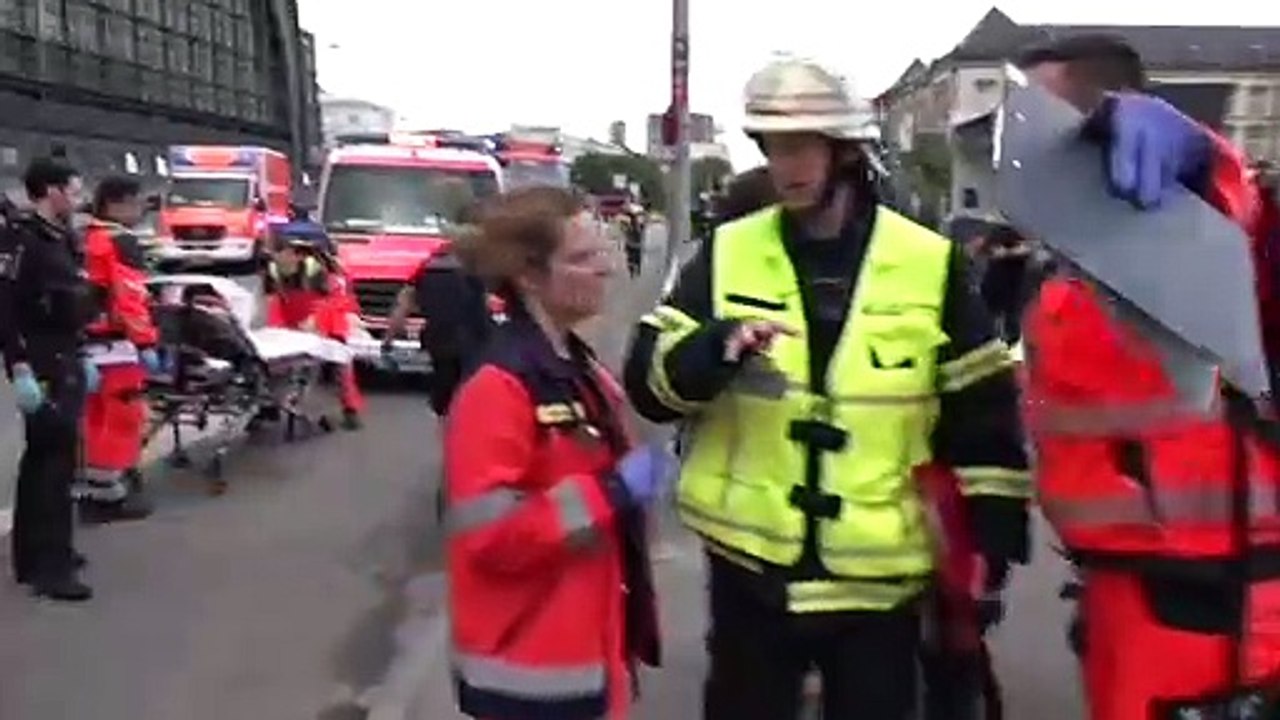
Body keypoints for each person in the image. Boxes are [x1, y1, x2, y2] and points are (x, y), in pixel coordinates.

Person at [623, 58, 1031, 720]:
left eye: (802, 146)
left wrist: (990, 558)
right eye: (774, 148)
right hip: (751, 575)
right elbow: (647, 383)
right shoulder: (725, 253)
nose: (786, 165)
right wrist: (712, 350)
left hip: (880, 587)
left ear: (844, 151)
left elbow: (985, 422)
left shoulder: (930, 264)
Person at [1014, 34, 1280, 719]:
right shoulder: (1067, 278)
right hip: (1122, 602)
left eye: (1037, 117)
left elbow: (1240, 227)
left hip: (1229, 616)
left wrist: (1200, 159)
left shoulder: (1186, 232)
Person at [444, 186, 668, 719]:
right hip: (530, 674)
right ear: (528, 276)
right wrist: (612, 491)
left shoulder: (574, 365)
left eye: (602, 252)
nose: (607, 269)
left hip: (581, 651)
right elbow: (491, 536)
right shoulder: (500, 386)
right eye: (583, 258)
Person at [0, 157, 94, 601]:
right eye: (73, 191)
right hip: (40, 360)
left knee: (51, 455)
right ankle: (49, 567)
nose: (76, 200)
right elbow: (6, 308)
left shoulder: (61, 237)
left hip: (65, 353)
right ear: (51, 191)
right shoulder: (23, 240)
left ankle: (40, 553)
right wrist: (17, 365)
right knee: (50, 463)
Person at [78, 175, 160, 524]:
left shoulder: (84, 237)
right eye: (137, 202)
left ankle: (89, 492)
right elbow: (131, 298)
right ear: (116, 204)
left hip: (85, 344)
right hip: (117, 347)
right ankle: (110, 498)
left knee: (92, 420)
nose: (141, 209)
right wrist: (147, 343)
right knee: (123, 419)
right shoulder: (122, 242)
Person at [384, 206, 495, 416]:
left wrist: (388, 339)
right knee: (472, 396)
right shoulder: (479, 269)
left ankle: (449, 436)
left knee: (444, 398)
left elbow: (403, 305)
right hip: (476, 341)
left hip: (439, 341)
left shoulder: (427, 268)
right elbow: (492, 302)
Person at [263, 222, 364, 429]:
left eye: (281, 252)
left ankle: (350, 410)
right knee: (272, 363)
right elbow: (274, 302)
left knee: (341, 363)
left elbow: (332, 300)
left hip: (327, 317)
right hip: (293, 316)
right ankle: (267, 406)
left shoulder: (319, 271)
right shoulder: (274, 270)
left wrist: (315, 322)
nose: (276, 257)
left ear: (296, 254)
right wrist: (276, 329)